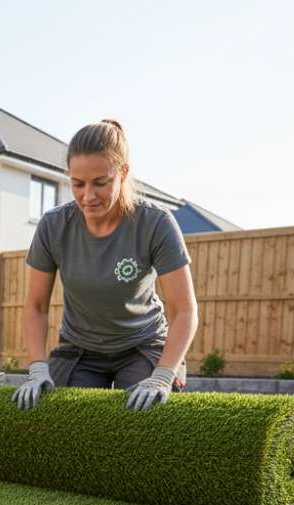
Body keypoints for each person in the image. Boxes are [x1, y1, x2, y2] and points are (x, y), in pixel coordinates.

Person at [13, 119, 198, 413]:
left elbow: (184, 310)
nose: (88, 195)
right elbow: (36, 305)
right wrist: (37, 367)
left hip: (143, 345)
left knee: (141, 415)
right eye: (77, 184)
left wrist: (162, 376)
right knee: (62, 416)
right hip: (80, 349)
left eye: (100, 183)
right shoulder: (53, 226)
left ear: (122, 172)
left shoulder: (155, 223)